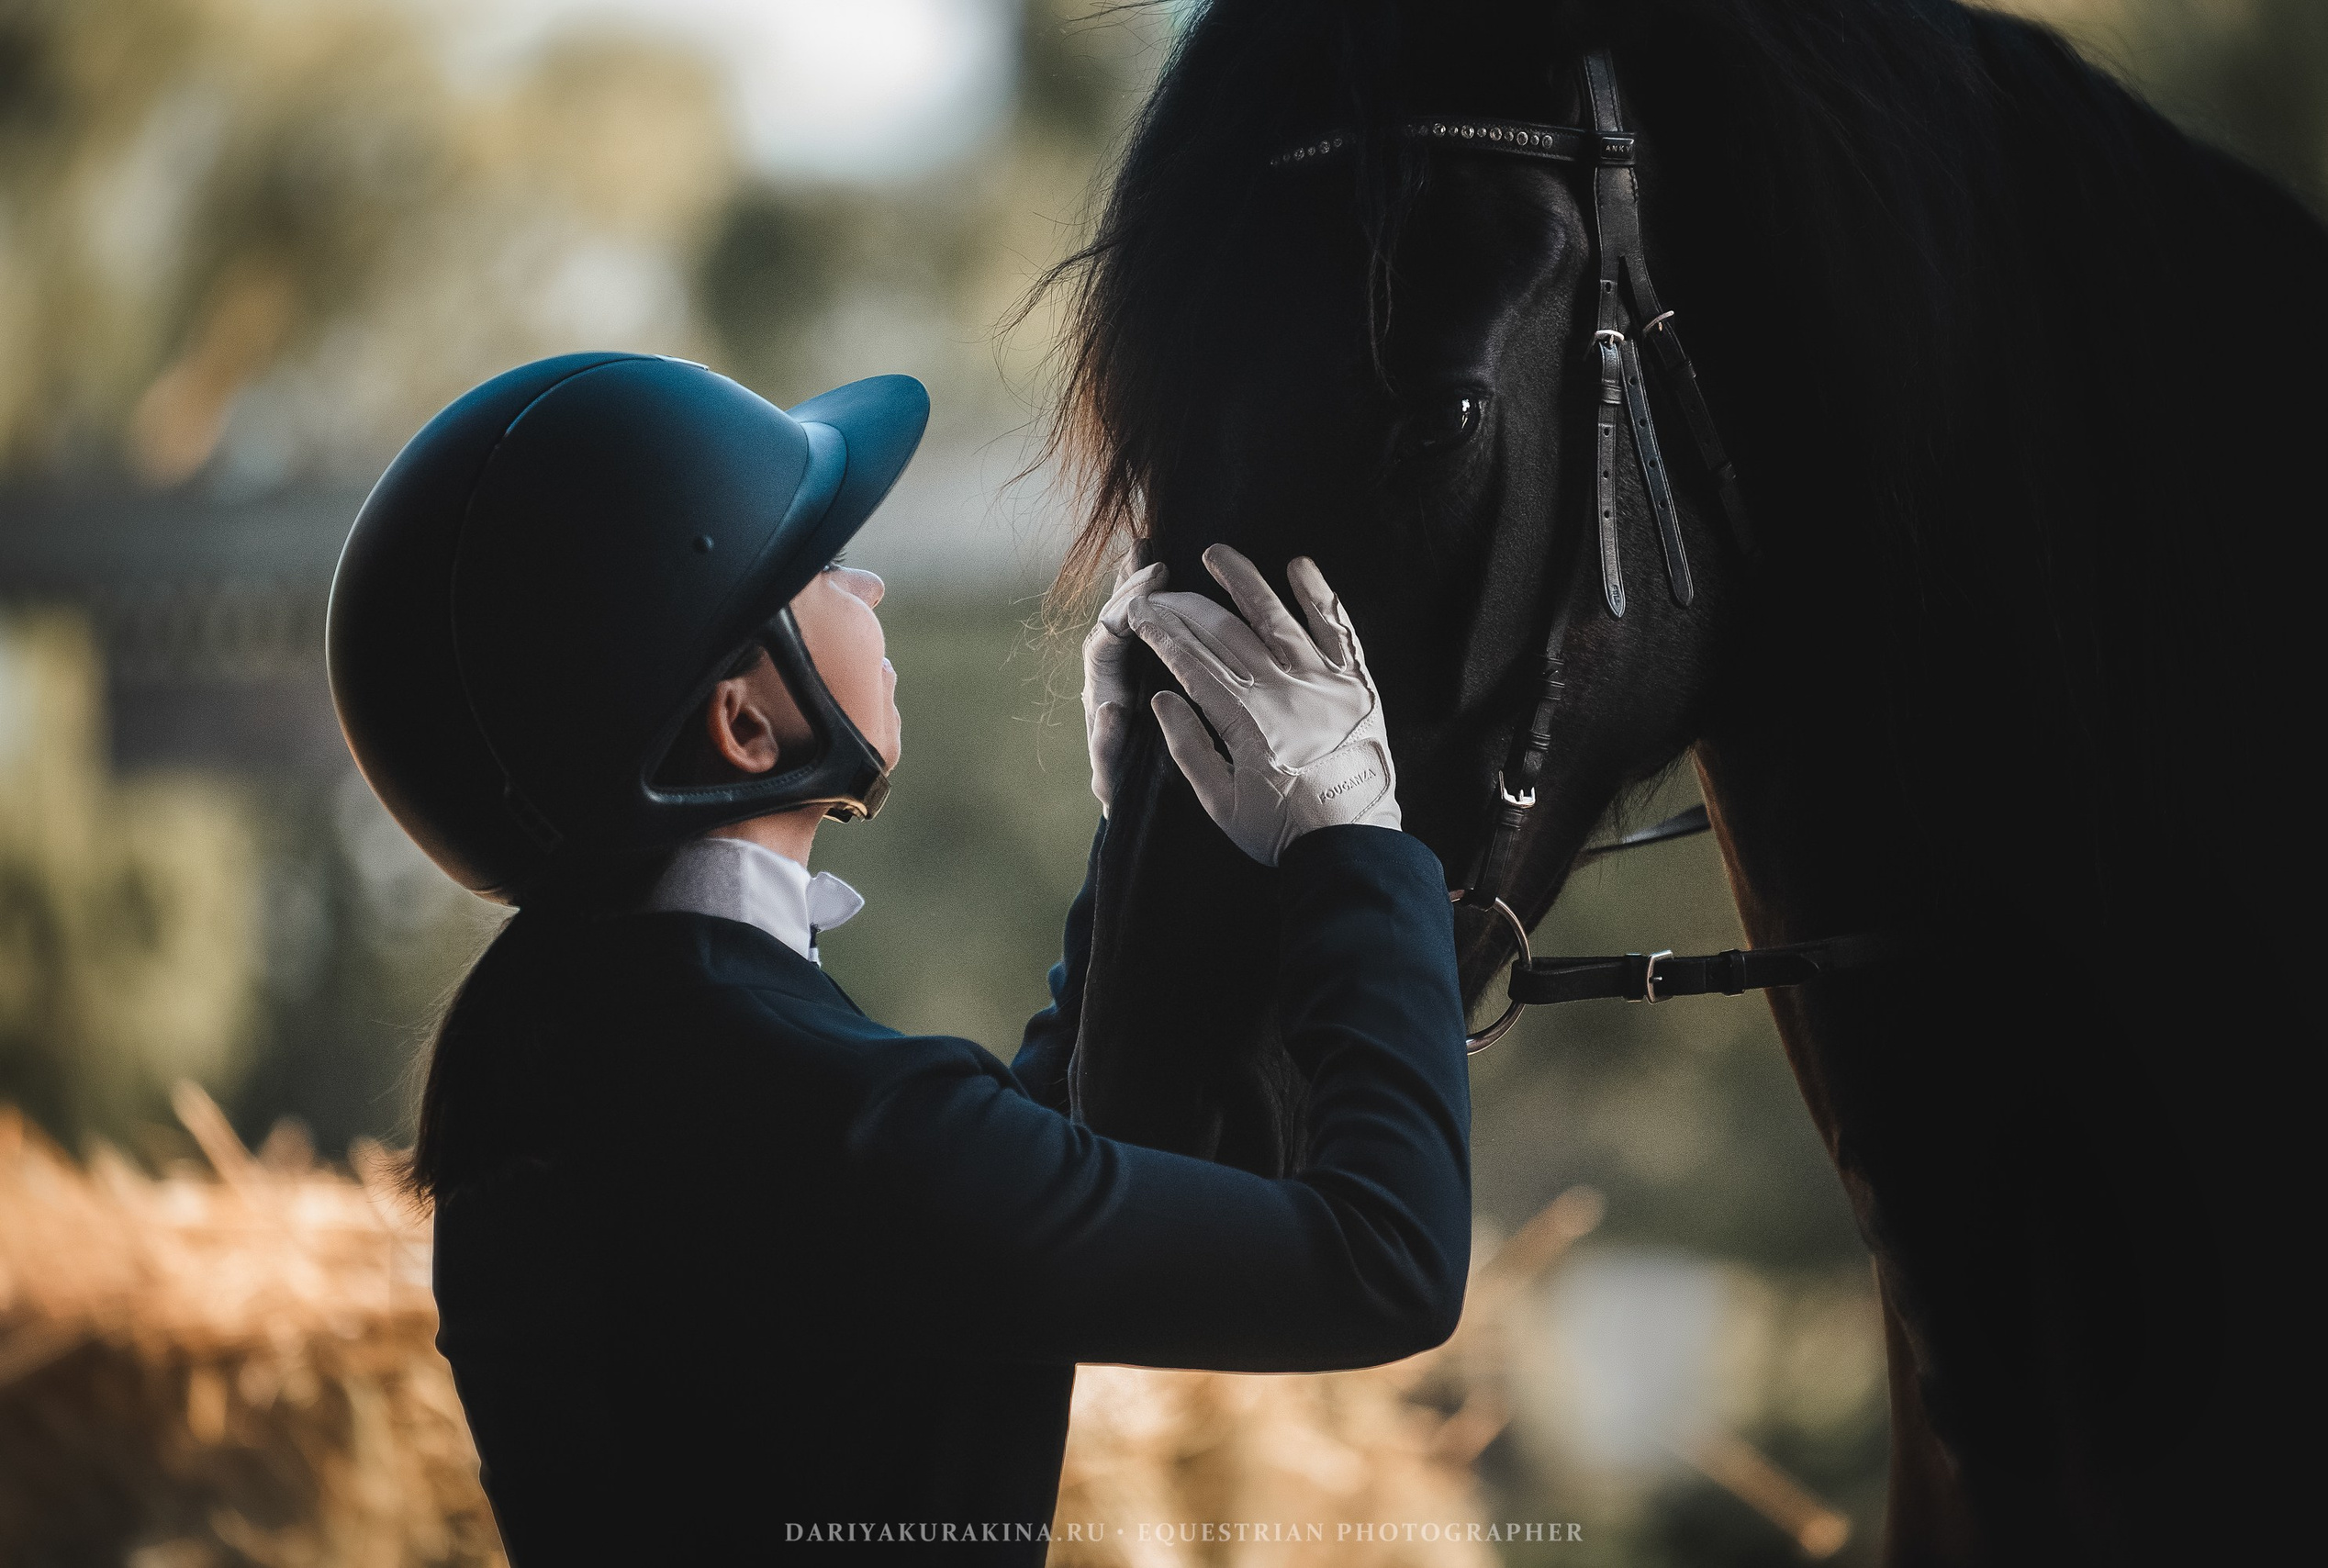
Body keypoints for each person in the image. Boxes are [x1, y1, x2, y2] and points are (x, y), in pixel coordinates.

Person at [324, 353, 1470, 1562]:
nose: (864, 578)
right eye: (816, 570)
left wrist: (1139, 817)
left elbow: (1009, 1179)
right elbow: (1385, 1258)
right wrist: (1353, 838)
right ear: (745, 721)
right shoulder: (835, 1116)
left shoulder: (602, 1066)